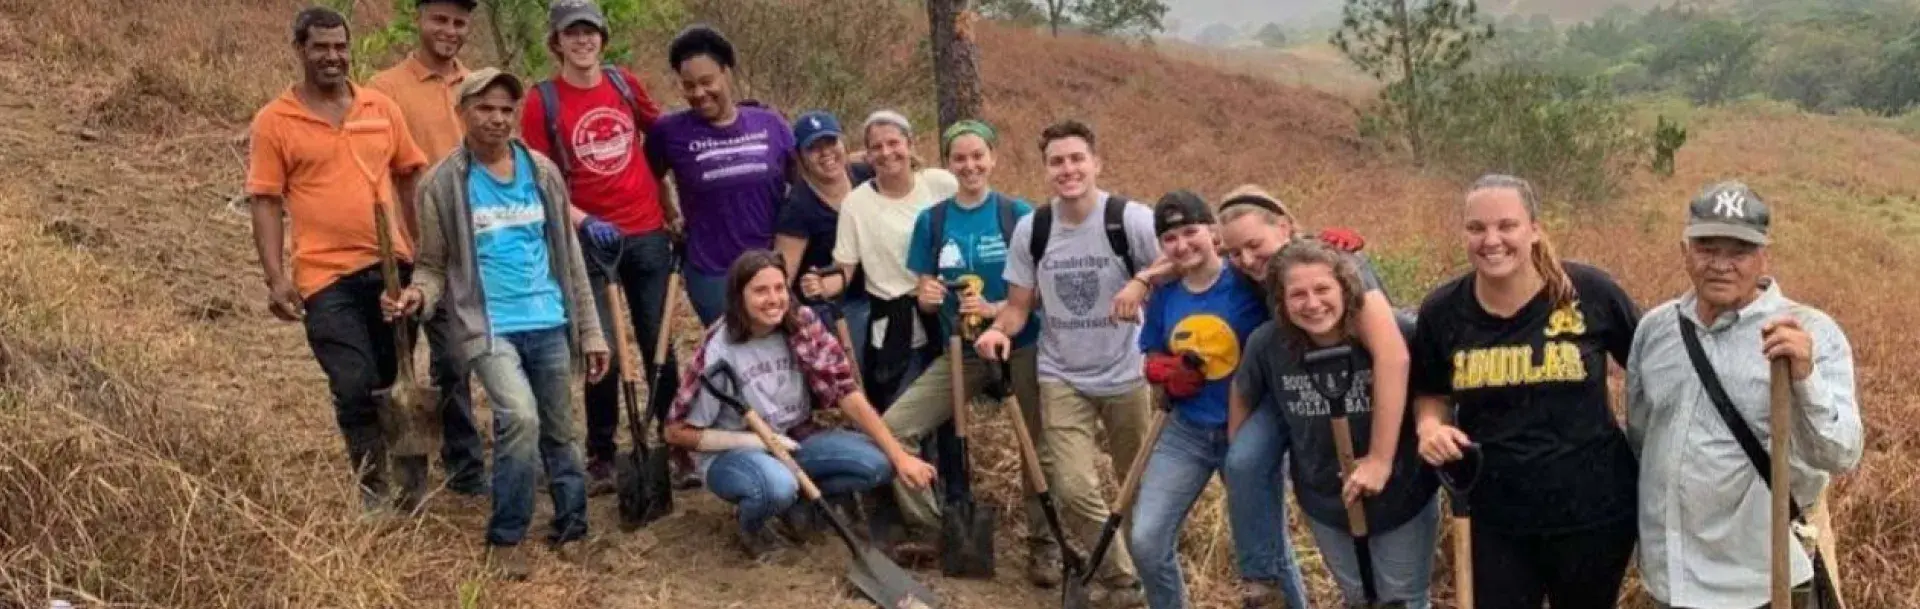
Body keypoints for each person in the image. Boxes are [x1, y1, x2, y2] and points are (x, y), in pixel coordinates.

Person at [383, 68, 612, 579]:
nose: (497, 118)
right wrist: (418, 295)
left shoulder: (543, 173)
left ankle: (572, 526)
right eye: (485, 108)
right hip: (488, 327)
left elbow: (570, 259)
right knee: (521, 418)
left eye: (507, 109)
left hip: (550, 319)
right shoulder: (442, 184)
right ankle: (507, 536)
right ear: (462, 111)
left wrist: (591, 331)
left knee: (559, 428)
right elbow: (433, 265)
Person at [1624, 182, 1862, 609]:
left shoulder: (1811, 332)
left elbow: (1841, 455)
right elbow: (1643, 441)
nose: (1721, 265)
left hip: (1763, 582)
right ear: (1685, 251)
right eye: (1707, 248)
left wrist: (1805, 377)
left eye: (1738, 251)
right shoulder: (1656, 329)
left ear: (1763, 257)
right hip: (1671, 580)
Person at [1410, 174, 1643, 609]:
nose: (1491, 240)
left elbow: (1654, 362)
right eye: (1476, 228)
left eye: (1506, 225)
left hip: (1594, 511)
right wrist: (1428, 428)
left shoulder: (1590, 294)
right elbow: (1430, 392)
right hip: (1490, 513)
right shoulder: (1443, 311)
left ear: (1534, 228)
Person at [245, 6, 429, 511]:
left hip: (393, 267)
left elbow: (410, 176)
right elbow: (266, 200)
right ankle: (374, 491)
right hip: (326, 278)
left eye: (340, 47)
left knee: (399, 378)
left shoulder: (380, 108)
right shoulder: (275, 121)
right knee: (353, 381)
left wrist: (424, 256)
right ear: (300, 50)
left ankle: (411, 486)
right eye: (321, 47)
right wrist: (275, 277)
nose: (332, 57)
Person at [975, 119, 1160, 609]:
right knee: (1072, 487)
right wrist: (997, 329)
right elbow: (1017, 306)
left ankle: (1151, 565)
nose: (1068, 169)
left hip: (1126, 372)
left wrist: (1141, 281)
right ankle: (1123, 580)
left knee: (1137, 482)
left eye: (1077, 158)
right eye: (1057, 161)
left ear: (1097, 163)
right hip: (1062, 376)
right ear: (1045, 170)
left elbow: (1175, 263)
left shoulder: (1130, 219)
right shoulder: (1032, 229)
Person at [664, 250, 937, 560]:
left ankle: (799, 503)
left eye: (779, 288)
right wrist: (757, 440)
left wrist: (900, 456)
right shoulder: (721, 349)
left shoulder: (802, 324)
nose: (773, 299)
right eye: (760, 290)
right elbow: (676, 433)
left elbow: (845, 391)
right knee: (776, 486)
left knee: (879, 463)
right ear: (739, 296)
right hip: (733, 454)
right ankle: (753, 525)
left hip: (795, 440)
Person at [877, 119, 1059, 583]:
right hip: (962, 353)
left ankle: (1045, 547)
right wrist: (928, 297)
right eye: (960, 157)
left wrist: (999, 306)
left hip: (1022, 346)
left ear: (993, 158)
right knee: (896, 428)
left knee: (1038, 447)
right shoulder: (933, 220)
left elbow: (1040, 287)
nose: (970, 164)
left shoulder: (1017, 214)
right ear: (948, 163)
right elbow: (922, 287)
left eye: (979, 155)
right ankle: (939, 528)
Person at [518, 0, 679, 493]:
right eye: (572, 33)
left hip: (647, 233)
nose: (583, 41)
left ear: (602, 38)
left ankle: (673, 439)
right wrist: (582, 220)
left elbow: (665, 138)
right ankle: (603, 452)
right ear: (556, 42)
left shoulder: (624, 85)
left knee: (659, 342)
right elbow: (536, 179)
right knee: (601, 348)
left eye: (591, 32)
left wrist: (673, 204)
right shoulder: (540, 101)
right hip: (587, 241)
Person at [1126, 191, 1312, 609]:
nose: (1182, 244)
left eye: (1191, 231)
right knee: (1147, 540)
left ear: (1212, 232)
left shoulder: (1249, 280)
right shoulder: (1167, 293)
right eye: (1169, 238)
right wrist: (1163, 371)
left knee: (1270, 550)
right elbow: (1150, 353)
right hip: (1185, 431)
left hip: (1248, 431)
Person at [1235, 240, 1441, 609]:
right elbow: (1243, 395)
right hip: (1326, 501)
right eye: (1297, 294)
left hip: (1401, 496)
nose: (1312, 304)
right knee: (1358, 598)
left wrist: (1385, 459)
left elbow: (1435, 392)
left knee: (1402, 599)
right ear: (1280, 300)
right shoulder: (1269, 345)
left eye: (1322, 289)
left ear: (1346, 288)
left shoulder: (1401, 334)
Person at [365, 0, 486, 497]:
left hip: (468, 248)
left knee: (457, 359)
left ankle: (465, 466)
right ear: (419, 20)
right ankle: (398, 470)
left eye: (459, 23)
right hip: (404, 250)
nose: (449, 30)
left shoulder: (478, 85)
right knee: (393, 361)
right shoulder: (384, 89)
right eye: (440, 19)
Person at [646, 25, 797, 325]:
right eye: (689, 86)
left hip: (771, 267)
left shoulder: (770, 123)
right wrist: (670, 212)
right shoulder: (670, 132)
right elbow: (648, 175)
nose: (699, 93)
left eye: (707, 82)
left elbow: (802, 181)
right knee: (731, 353)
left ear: (726, 73)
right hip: (712, 271)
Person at [811, 110, 959, 406]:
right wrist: (821, 286)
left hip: (946, 314)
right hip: (895, 323)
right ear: (867, 154)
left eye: (893, 143)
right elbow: (845, 270)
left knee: (950, 414)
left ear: (910, 143)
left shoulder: (941, 185)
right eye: (876, 147)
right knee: (902, 409)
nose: (886, 153)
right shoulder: (856, 204)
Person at [774, 110, 875, 366]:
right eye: (814, 148)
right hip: (836, 304)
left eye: (831, 143)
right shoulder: (798, 207)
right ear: (800, 157)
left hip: (879, 287)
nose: (826, 153)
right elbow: (783, 273)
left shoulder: (866, 175)